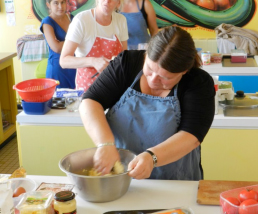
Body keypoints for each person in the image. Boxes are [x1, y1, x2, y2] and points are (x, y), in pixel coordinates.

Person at [79, 26, 215, 180]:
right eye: (149, 69)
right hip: (121, 177)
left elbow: (191, 136)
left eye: (166, 78)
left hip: (176, 181)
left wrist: (152, 157)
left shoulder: (198, 82)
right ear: (146, 54)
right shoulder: (126, 63)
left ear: (184, 71)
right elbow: (90, 102)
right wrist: (105, 144)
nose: (153, 80)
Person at [60, 0, 129, 92]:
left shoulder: (121, 20)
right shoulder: (82, 20)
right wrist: (93, 61)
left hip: (114, 88)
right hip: (88, 90)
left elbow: (124, 56)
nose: (107, 1)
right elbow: (64, 61)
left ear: (119, 2)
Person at [40, 0, 76, 89]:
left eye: (62, 2)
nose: (60, 6)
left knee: (77, 100)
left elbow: (84, 39)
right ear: (48, 5)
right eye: (56, 3)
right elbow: (56, 48)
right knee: (59, 101)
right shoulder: (47, 22)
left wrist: (62, 43)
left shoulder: (72, 18)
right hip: (57, 69)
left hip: (75, 66)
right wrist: (76, 41)